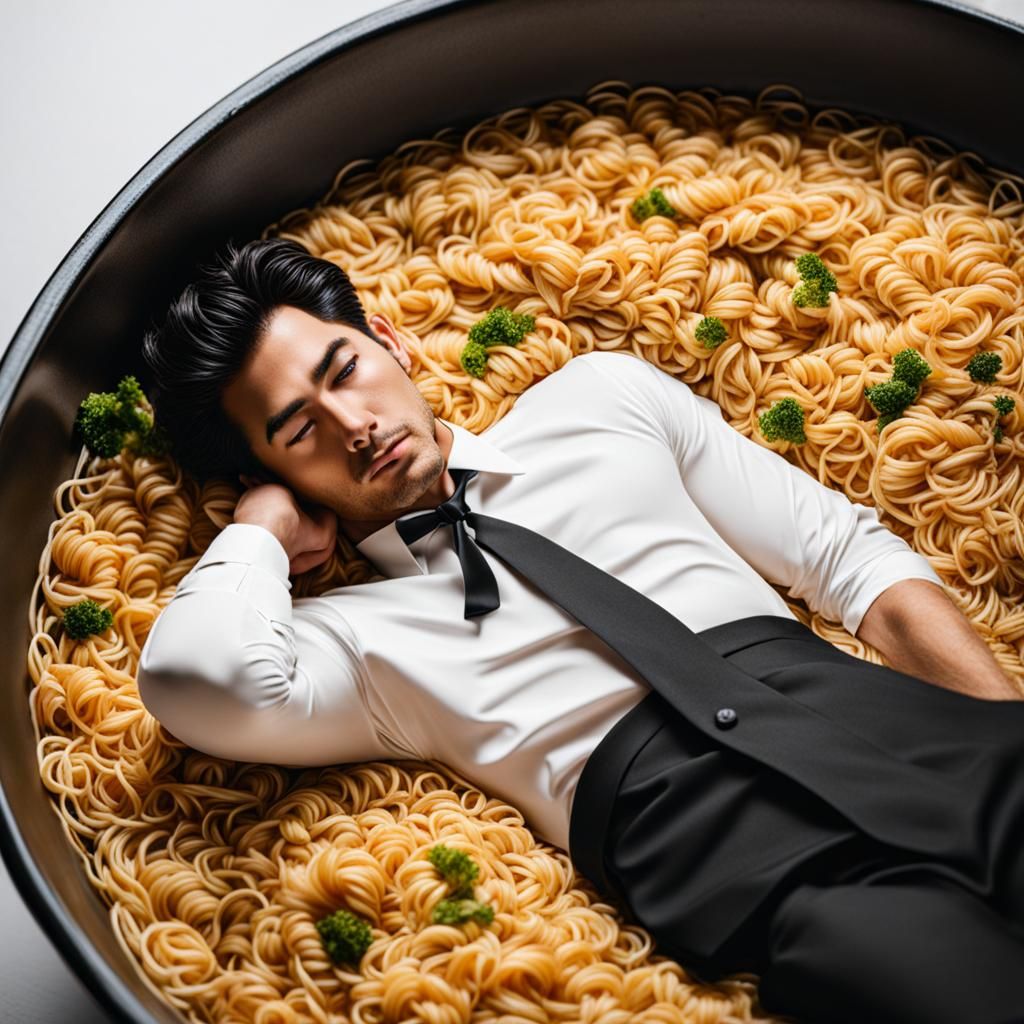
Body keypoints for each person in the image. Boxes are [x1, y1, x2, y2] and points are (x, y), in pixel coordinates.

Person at [137, 237, 1024, 1023]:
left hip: (909, 736)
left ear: (391, 345)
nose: (354, 426)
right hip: (756, 868)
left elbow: (847, 561)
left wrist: (995, 732)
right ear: (273, 470)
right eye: (299, 430)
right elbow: (197, 680)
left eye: (344, 372)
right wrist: (258, 528)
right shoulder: (352, 643)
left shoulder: (598, 400)